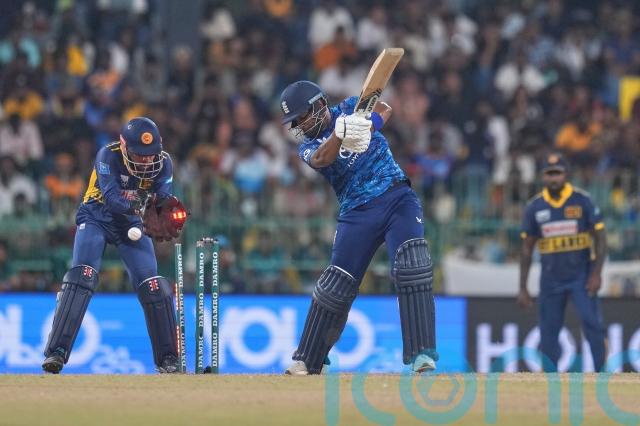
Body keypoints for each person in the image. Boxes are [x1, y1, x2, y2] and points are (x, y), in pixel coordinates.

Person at [279, 80, 438, 375]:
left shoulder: (352, 107)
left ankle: (422, 355)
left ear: (318, 105)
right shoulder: (308, 146)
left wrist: (368, 125)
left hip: (397, 198)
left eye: (301, 117)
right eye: (295, 122)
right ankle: (309, 360)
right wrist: (340, 135)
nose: (298, 126)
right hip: (356, 213)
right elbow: (321, 159)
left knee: (412, 265)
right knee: (335, 286)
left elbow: (385, 107)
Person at [42, 117, 188, 374]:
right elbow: (111, 199)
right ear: (124, 147)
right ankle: (56, 352)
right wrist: (143, 208)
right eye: (139, 154)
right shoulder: (107, 155)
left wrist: (165, 213)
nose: (146, 161)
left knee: (153, 285)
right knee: (83, 276)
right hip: (97, 216)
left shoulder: (164, 162)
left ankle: (168, 360)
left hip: (132, 223)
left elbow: (163, 198)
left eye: (150, 154)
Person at [518, 153, 607, 372]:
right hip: (551, 279)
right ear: (543, 176)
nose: (553, 178)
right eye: (549, 173)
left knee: (592, 323)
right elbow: (527, 248)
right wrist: (522, 287)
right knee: (548, 331)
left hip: (581, 276)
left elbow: (601, 237)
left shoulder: (582, 200)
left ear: (566, 174)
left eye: (557, 173)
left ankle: (603, 373)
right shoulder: (535, 207)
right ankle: (550, 378)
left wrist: (596, 273)